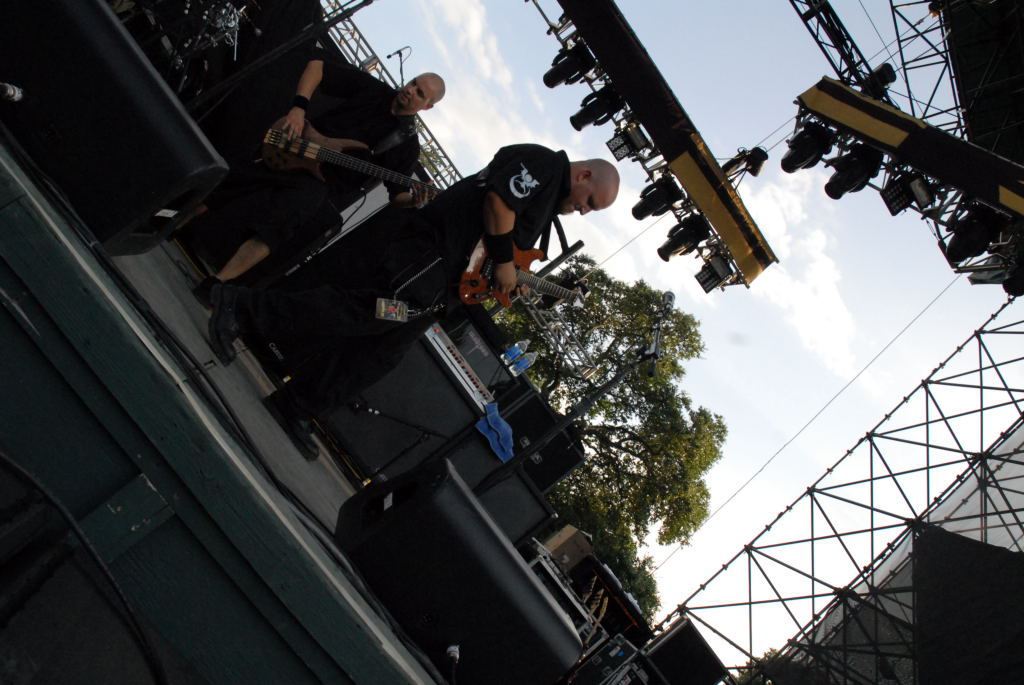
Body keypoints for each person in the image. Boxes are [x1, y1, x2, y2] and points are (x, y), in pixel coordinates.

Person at [207, 143, 619, 458]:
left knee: (378, 353)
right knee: (360, 311)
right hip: (431, 259)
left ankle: (296, 405)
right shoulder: (544, 164)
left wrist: (510, 280)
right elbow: (498, 203)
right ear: (583, 175)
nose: (584, 211)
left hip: (443, 286)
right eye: (591, 202)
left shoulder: (546, 209)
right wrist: (507, 264)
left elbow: (498, 252)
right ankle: (238, 306)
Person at [186, 49, 446, 301]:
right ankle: (172, 220)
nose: (410, 90)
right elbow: (317, 66)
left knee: (275, 229)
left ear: (428, 106)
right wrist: (298, 109)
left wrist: (413, 201)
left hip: (319, 183)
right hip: (296, 145)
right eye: (414, 83)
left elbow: (397, 196)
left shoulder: (406, 145)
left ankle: (218, 281)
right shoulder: (374, 90)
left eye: (420, 93)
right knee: (227, 184)